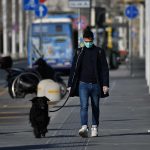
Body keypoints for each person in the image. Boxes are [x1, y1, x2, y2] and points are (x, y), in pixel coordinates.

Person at [67, 28, 109, 138]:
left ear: (93, 40)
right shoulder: (79, 52)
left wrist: (105, 84)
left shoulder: (99, 51)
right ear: (83, 40)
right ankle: (84, 127)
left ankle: (94, 127)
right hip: (83, 85)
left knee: (95, 107)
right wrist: (70, 85)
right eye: (86, 41)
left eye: (90, 41)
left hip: (96, 85)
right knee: (84, 106)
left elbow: (105, 69)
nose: (88, 43)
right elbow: (73, 69)